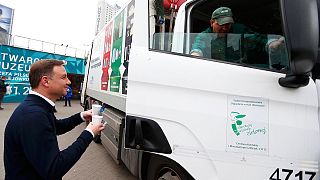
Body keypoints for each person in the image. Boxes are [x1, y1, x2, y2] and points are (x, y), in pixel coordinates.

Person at [4, 59, 105, 179]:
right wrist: (89, 133)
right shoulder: (34, 115)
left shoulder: (37, 107)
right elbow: (54, 168)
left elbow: (55, 127)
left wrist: (81, 116)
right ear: (45, 81)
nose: (69, 81)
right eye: (63, 77)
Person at [190, 7, 284, 62]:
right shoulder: (204, 36)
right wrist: (195, 55)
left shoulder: (239, 29)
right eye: (221, 24)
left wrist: (271, 43)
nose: (224, 28)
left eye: (228, 24)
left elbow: (257, 39)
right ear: (211, 23)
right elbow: (197, 48)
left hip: (241, 69)